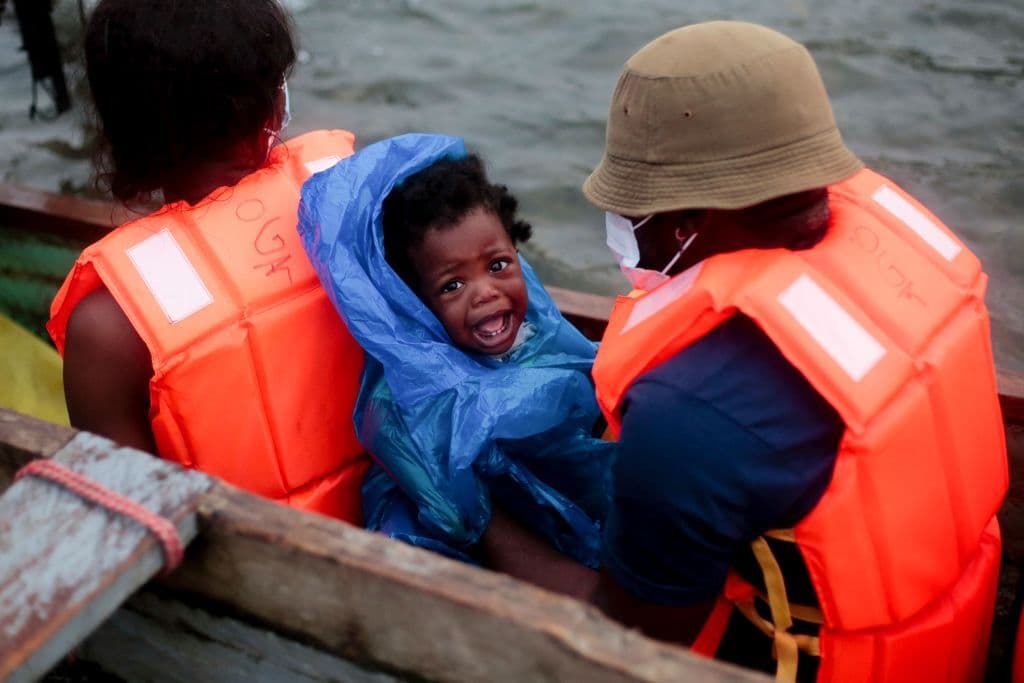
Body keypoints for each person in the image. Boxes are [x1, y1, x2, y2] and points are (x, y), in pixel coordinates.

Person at [582, 21, 1007, 682]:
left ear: (686, 222)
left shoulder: (686, 414)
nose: (617, 225)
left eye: (626, 207)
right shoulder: (907, 274)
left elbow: (618, 643)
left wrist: (484, 510)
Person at [47, 0, 369, 522]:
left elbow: (127, 522)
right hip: (410, 538)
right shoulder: (356, 203)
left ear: (118, 135)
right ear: (273, 105)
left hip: (254, 587)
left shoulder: (108, 330)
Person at [299, 134, 614, 596]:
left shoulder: (535, 330)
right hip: (461, 537)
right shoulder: (400, 411)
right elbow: (463, 519)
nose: (485, 291)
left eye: (499, 265)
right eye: (451, 286)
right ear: (414, 304)